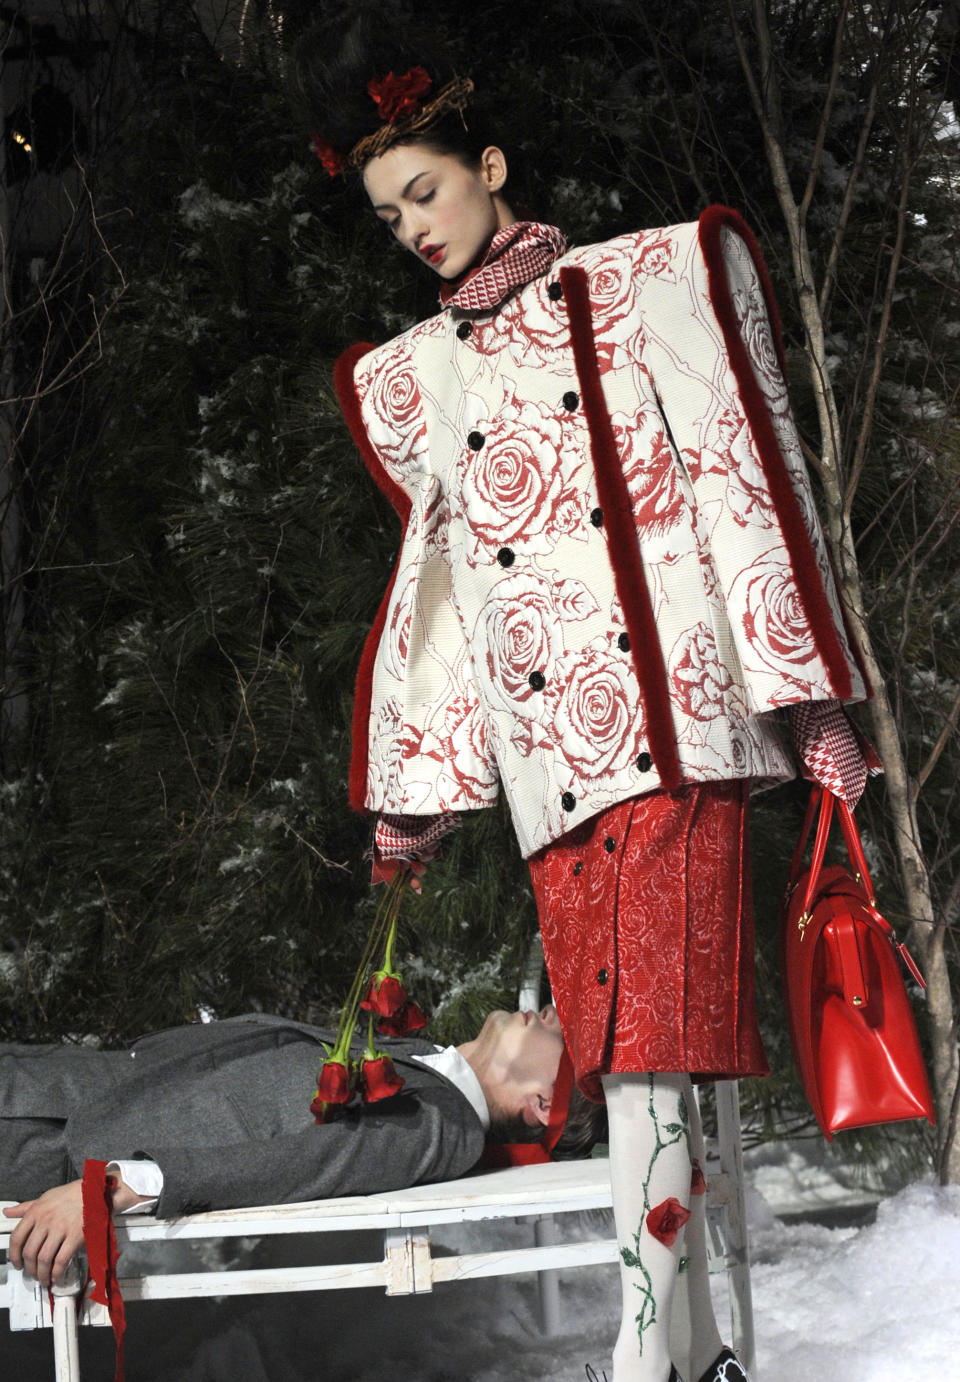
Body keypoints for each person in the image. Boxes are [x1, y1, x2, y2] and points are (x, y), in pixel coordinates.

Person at [295, 13, 876, 1382]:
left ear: (489, 163)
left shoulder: (636, 290)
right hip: (554, 762)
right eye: (387, 215)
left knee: (657, 1051)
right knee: (619, 1057)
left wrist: (809, 700)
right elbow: (444, 589)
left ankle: (635, 1356)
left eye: (426, 191)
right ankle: (689, 1356)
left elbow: (744, 478)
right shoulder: (425, 374)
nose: (413, 228)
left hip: (673, 730)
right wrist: (419, 791)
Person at [2, 1002, 601, 1288]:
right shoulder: (425, 1064)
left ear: (544, 1103)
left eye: (563, 1034)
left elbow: (303, 1165)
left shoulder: (439, 1125)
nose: (552, 1011)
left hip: (49, 1130)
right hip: (65, 1082)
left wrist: (110, 1185)